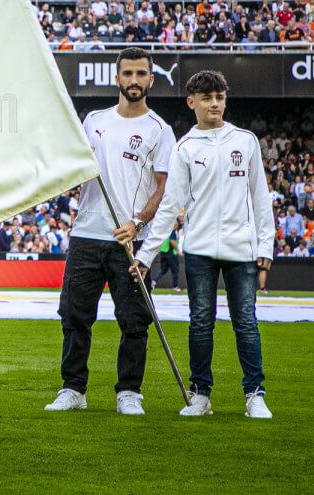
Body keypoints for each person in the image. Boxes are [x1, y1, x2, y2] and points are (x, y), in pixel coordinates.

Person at [132, 70, 275, 419]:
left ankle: (254, 394)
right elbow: (170, 206)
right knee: (200, 322)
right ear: (191, 102)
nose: (215, 104)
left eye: (220, 98)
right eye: (208, 98)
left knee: (245, 322)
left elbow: (260, 197)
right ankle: (200, 394)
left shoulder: (245, 140)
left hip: (241, 249)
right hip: (198, 250)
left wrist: (265, 247)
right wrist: (146, 254)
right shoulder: (185, 147)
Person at [46, 48, 175, 416]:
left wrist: (138, 223)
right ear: (117, 78)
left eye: (141, 74)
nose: (134, 80)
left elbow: (163, 188)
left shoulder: (160, 130)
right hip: (87, 234)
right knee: (73, 315)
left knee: (134, 320)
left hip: (129, 239)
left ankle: (129, 392)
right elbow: (78, 173)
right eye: (127, 74)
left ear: (151, 79)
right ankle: (73, 388)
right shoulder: (93, 120)